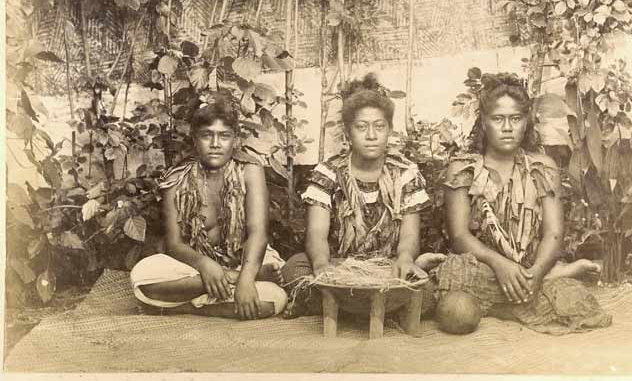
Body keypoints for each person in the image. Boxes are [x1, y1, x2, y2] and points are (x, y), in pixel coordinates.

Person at [433, 73, 612, 334]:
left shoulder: (542, 167)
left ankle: (542, 281)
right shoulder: (463, 169)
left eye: (515, 119)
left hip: (530, 270)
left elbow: (553, 232)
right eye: (498, 119)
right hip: (482, 268)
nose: (507, 127)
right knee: (456, 313)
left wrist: (537, 272)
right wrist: (500, 265)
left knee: (579, 305)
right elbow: (459, 235)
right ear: (484, 123)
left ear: (526, 122)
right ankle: (542, 286)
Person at [281, 74, 444, 316]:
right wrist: (322, 265)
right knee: (295, 269)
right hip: (339, 267)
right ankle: (377, 311)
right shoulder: (328, 172)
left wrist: (406, 258)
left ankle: (343, 310)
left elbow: (410, 234)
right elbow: (316, 233)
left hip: (387, 270)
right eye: (361, 127)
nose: (371, 135)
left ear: (389, 130)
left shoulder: (406, 173)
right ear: (348, 133)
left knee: (427, 293)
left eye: (379, 126)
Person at [130, 92, 288, 319]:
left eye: (224, 136)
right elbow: (174, 244)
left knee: (274, 299)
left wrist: (246, 276)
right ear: (195, 139)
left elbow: (258, 234)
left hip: (246, 260)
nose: (215, 144)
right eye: (207, 135)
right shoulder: (176, 179)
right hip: (195, 264)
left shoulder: (250, 172)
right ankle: (224, 286)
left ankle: (179, 305)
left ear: (235, 140)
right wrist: (207, 266)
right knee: (141, 276)